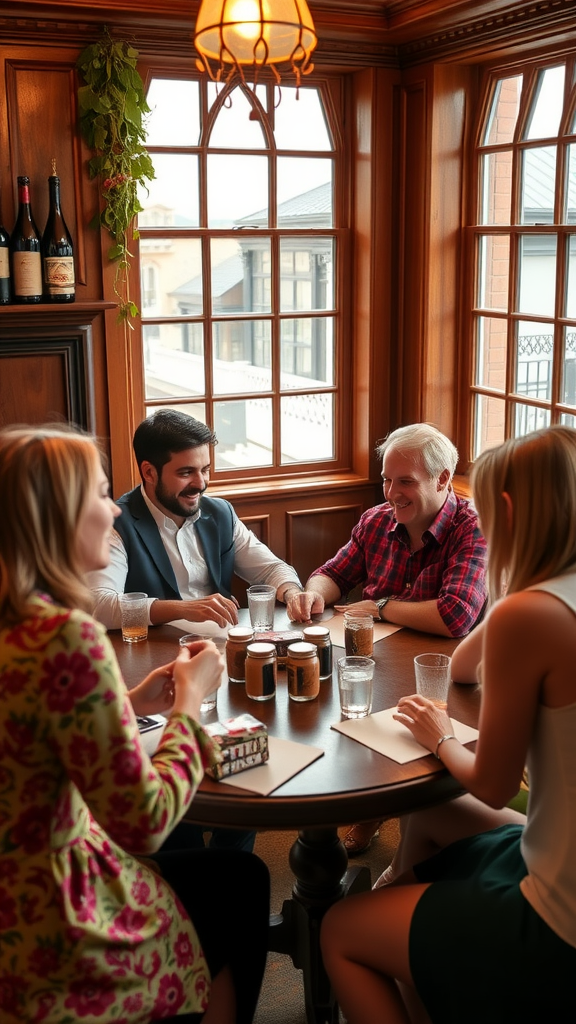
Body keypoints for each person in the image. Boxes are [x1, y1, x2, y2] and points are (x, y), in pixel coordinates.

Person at [0, 424, 270, 1024]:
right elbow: (142, 822)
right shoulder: (65, 639)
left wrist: (132, 699)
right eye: (98, 496)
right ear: (57, 517)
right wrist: (186, 710)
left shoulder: (15, 629)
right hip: (55, 915)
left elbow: (31, 735)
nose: (110, 512)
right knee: (242, 882)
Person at [320, 425, 576, 1024]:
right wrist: (512, 590)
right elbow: (462, 667)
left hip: (558, 909)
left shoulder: (531, 615)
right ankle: (427, 961)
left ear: (507, 511)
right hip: (556, 850)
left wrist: (437, 736)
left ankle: (411, 949)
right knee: (427, 811)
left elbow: (490, 783)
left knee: (338, 930)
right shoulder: (544, 596)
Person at [88, 408, 304, 852]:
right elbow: (100, 605)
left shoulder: (219, 513)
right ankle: (186, 865)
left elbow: (270, 566)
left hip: (224, 663)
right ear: (149, 471)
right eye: (186, 472)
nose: (201, 483)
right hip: (153, 672)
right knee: (178, 802)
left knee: (246, 763)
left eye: (205, 468)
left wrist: (291, 590)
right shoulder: (117, 522)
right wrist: (180, 607)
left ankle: (233, 860)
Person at [286, 423, 487, 855]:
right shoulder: (376, 520)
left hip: (440, 670)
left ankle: (384, 816)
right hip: (374, 656)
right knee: (339, 710)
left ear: (443, 480)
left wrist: (379, 607)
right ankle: (369, 802)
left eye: (406, 482)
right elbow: (333, 575)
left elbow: (455, 615)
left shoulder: (472, 527)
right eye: (386, 479)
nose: (391, 492)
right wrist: (313, 595)